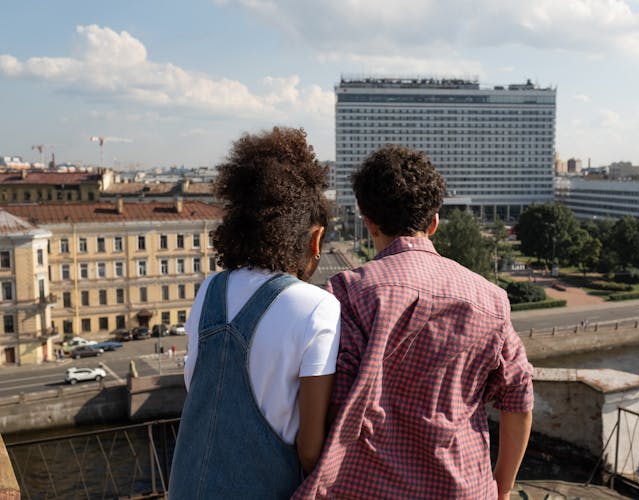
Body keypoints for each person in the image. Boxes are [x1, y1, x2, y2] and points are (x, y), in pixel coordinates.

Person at [295, 145, 533, 500]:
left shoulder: (348, 292)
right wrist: (501, 486)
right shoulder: (492, 299)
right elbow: (518, 397)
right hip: (464, 488)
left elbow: (331, 402)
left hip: (367, 488)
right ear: (434, 221)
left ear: (368, 221)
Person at [169, 127, 341, 499]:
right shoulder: (318, 307)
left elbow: (199, 389)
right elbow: (311, 450)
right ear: (314, 239)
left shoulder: (210, 289)